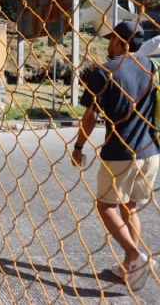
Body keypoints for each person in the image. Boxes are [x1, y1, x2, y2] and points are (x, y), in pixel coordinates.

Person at [71, 20, 159, 291]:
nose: (107, 44)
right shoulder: (151, 67)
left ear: (121, 42)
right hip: (150, 151)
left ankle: (135, 256)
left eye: (111, 39)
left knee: (106, 206)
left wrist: (78, 147)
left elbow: (90, 115)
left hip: (119, 152)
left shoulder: (105, 71)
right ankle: (128, 268)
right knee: (129, 206)